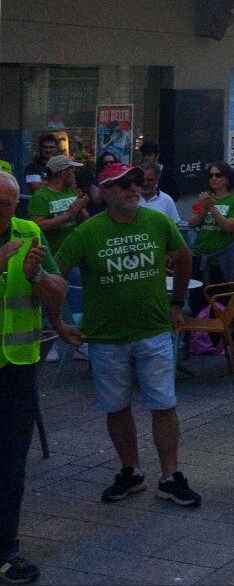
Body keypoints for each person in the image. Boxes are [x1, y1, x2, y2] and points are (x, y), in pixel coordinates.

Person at [56, 163, 201, 507]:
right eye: (123, 184)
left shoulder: (158, 221)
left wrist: (177, 304)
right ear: (104, 193)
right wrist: (58, 321)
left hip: (153, 332)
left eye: (136, 182)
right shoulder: (87, 233)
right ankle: (131, 472)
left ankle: (170, 476)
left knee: (163, 405)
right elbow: (55, 275)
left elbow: (183, 257)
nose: (133, 188)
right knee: (117, 407)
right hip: (106, 339)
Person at [0, 172, 72, 586]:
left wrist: (39, 277)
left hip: (17, 368)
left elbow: (58, 289)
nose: (4, 211)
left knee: (10, 462)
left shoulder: (29, 233)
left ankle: (6, 548)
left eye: (8, 204)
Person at [187, 161, 234, 311]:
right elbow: (192, 223)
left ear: (227, 179)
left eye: (218, 175)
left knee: (220, 303)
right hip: (200, 256)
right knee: (197, 301)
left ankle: (219, 333)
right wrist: (204, 208)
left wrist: (211, 207)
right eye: (211, 175)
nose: (214, 178)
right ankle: (197, 333)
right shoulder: (205, 197)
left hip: (222, 260)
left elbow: (228, 227)